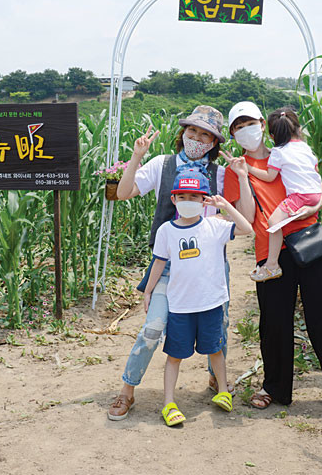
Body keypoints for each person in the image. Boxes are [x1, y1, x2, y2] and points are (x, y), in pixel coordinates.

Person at [107, 105, 253, 421]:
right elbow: (123, 192)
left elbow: (246, 219)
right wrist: (136, 157)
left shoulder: (220, 174)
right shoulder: (163, 165)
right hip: (168, 266)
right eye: (192, 131)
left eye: (205, 135)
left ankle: (217, 379)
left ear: (215, 143)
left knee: (219, 327)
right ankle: (127, 391)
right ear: (182, 133)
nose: (197, 138)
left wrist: (241, 178)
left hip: (209, 267)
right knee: (154, 326)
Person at [223, 101, 322, 411]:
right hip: (271, 248)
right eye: (237, 127)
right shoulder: (235, 168)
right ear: (233, 134)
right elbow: (247, 218)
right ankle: (274, 389)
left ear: (263, 124)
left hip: (308, 239)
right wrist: (243, 176)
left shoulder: (289, 152)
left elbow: (321, 188)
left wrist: (316, 206)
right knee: (274, 324)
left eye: (248, 123)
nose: (244, 131)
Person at [143, 169, 253, 426]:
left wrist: (225, 205)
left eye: (195, 196)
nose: (188, 201)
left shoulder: (215, 226)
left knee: (215, 350)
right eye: (183, 196)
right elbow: (158, 264)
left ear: (204, 200)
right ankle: (169, 403)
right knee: (174, 355)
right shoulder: (166, 231)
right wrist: (148, 291)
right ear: (174, 199)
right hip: (181, 306)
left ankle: (224, 391)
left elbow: (247, 228)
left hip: (211, 303)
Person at [245, 108, 322, 282]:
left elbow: (270, 176)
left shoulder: (278, 152)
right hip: (315, 194)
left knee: (273, 223)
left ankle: (272, 265)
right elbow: (315, 171)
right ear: (299, 129)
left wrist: (248, 168)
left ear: (272, 136)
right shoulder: (305, 148)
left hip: (299, 197)